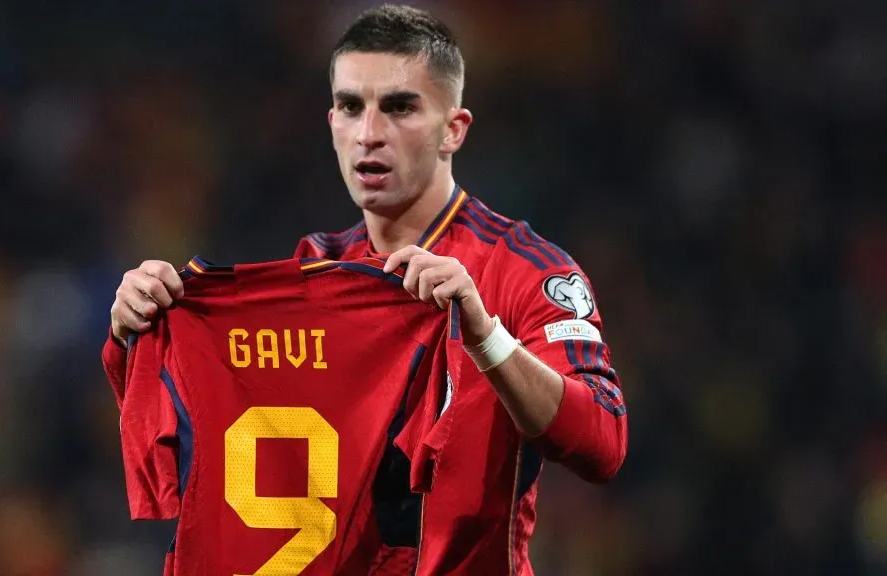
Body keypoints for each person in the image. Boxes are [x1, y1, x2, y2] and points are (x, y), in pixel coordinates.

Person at [103, 4, 627, 574]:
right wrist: (140, 326)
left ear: (453, 130)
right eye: (351, 106)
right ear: (331, 123)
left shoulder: (526, 270)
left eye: (400, 107)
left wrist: (486, 336)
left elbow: (602, 442)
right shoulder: (315, 270)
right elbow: (210, 449)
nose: (370, 133)